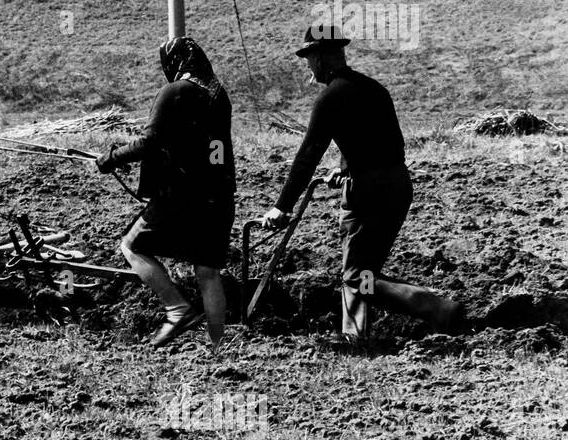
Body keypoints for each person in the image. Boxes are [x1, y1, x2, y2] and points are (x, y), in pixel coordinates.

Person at [260, 25, 465, 339]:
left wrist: (281, 206)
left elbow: (307, 156)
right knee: (359, 268)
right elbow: (385, 143)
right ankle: (355, 337)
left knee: (358, 276)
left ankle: (436, 307)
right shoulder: (373, 88)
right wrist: (348, 168)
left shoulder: (331, 96)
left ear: (326, 57)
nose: (307, 64)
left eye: (310, 56)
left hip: (370, 195)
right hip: (396, 185)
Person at [96, 37, 236, 349]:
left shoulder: (176, 91)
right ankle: (217, 344)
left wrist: (111, 158)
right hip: (219, 194)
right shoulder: (217, 94)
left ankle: (176, 308)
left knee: (132, 246)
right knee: (207, 270)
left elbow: (149, 142)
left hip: (183, 195)